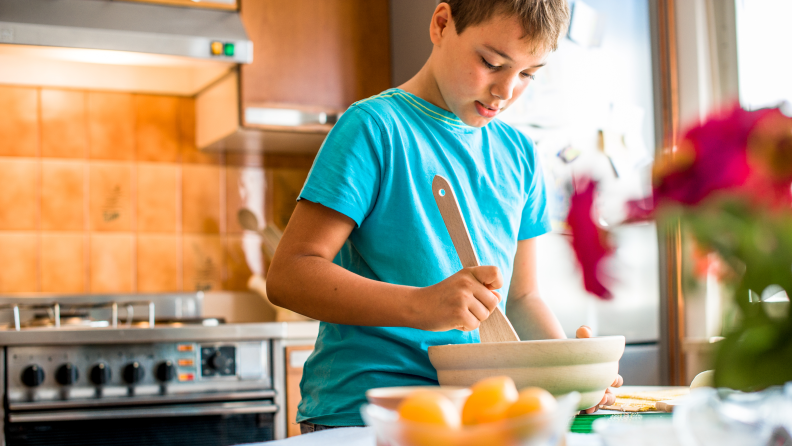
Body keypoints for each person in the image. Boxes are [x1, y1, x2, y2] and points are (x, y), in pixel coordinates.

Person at [266, 0, 622, 432]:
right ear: (441, 24)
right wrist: (422, 305)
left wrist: (569, 372)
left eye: (529, 74)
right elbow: (290, 275)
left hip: (482, 414)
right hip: (371, 413)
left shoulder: (522, 156)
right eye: (492, 62)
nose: (506, 90)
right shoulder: (374, 128)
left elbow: (521, 299)